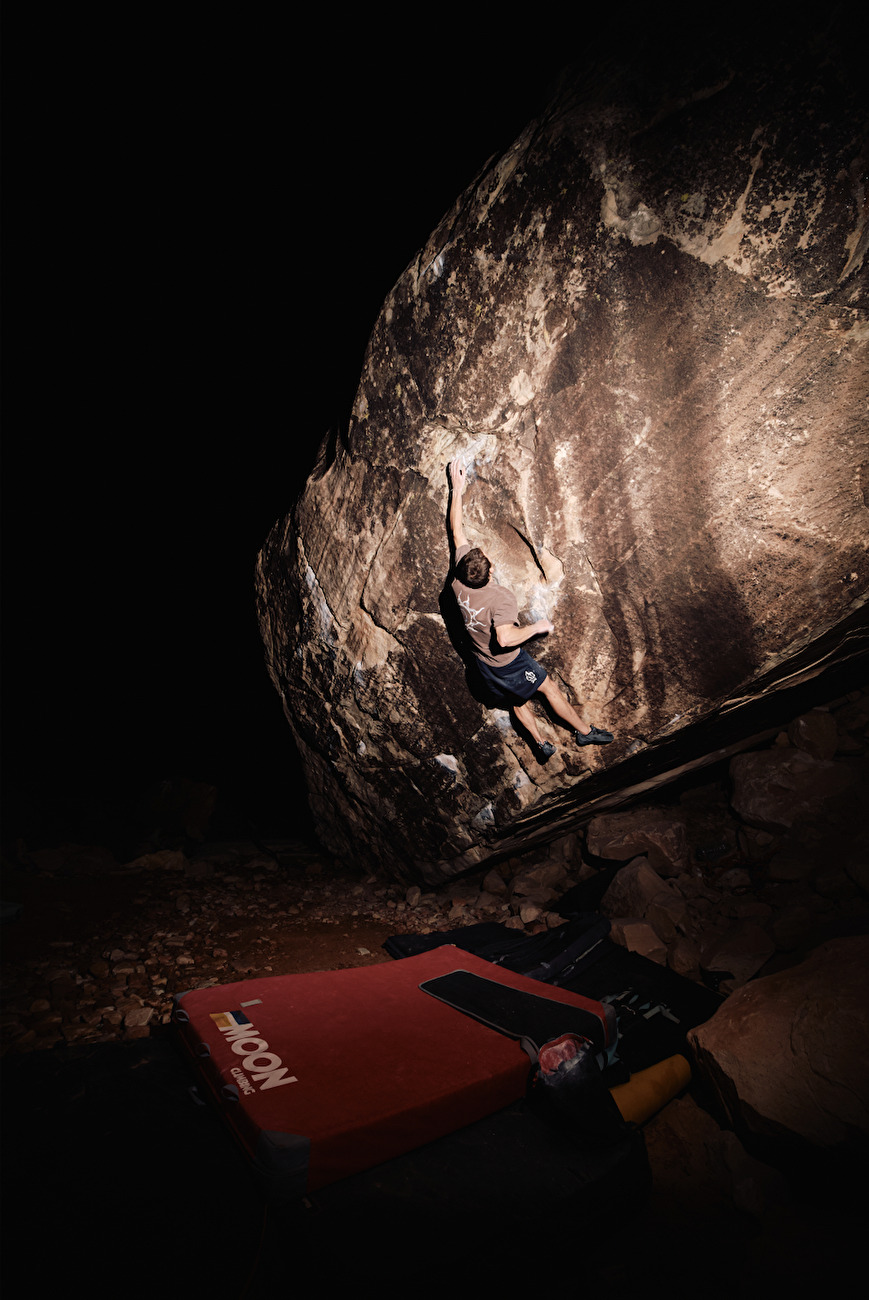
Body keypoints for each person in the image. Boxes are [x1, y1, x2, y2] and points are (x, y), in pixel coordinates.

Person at [448, 456, 613, 760]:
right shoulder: (500, 597)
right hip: (509, 663)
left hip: (483, 665)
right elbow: (505, 639)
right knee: (548, 688)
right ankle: (585, 733)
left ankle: (540, 744)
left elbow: (457, 531)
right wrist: (538, 627)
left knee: (516, 702)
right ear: (491, 572)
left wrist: (457, 489)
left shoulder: (458, 582)